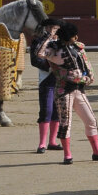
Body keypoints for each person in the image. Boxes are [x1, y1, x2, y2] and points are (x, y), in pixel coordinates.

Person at [40, 21, 98, 164]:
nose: (77, 37)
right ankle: (67, 155)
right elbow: (40, 53)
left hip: (78, 90)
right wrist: (50, 35)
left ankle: (97, 151)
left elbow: (85, 64)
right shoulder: (54, 50)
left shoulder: (77, 47)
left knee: (91, 120)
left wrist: (88, 77)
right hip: (63, 91)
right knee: (65, 123)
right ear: (68, 37)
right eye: (74, 35)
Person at [30, 18, 64, 152]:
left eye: (54, 27)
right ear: (45, 28)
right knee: (46, 110)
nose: (51, 30)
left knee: (57, 111)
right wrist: (50, 67)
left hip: (60, 79)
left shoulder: (62, 41)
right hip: (47, 78)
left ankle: (52, 141)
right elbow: (35, 60)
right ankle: (42, 143)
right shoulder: (39, 41)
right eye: (49, 27)